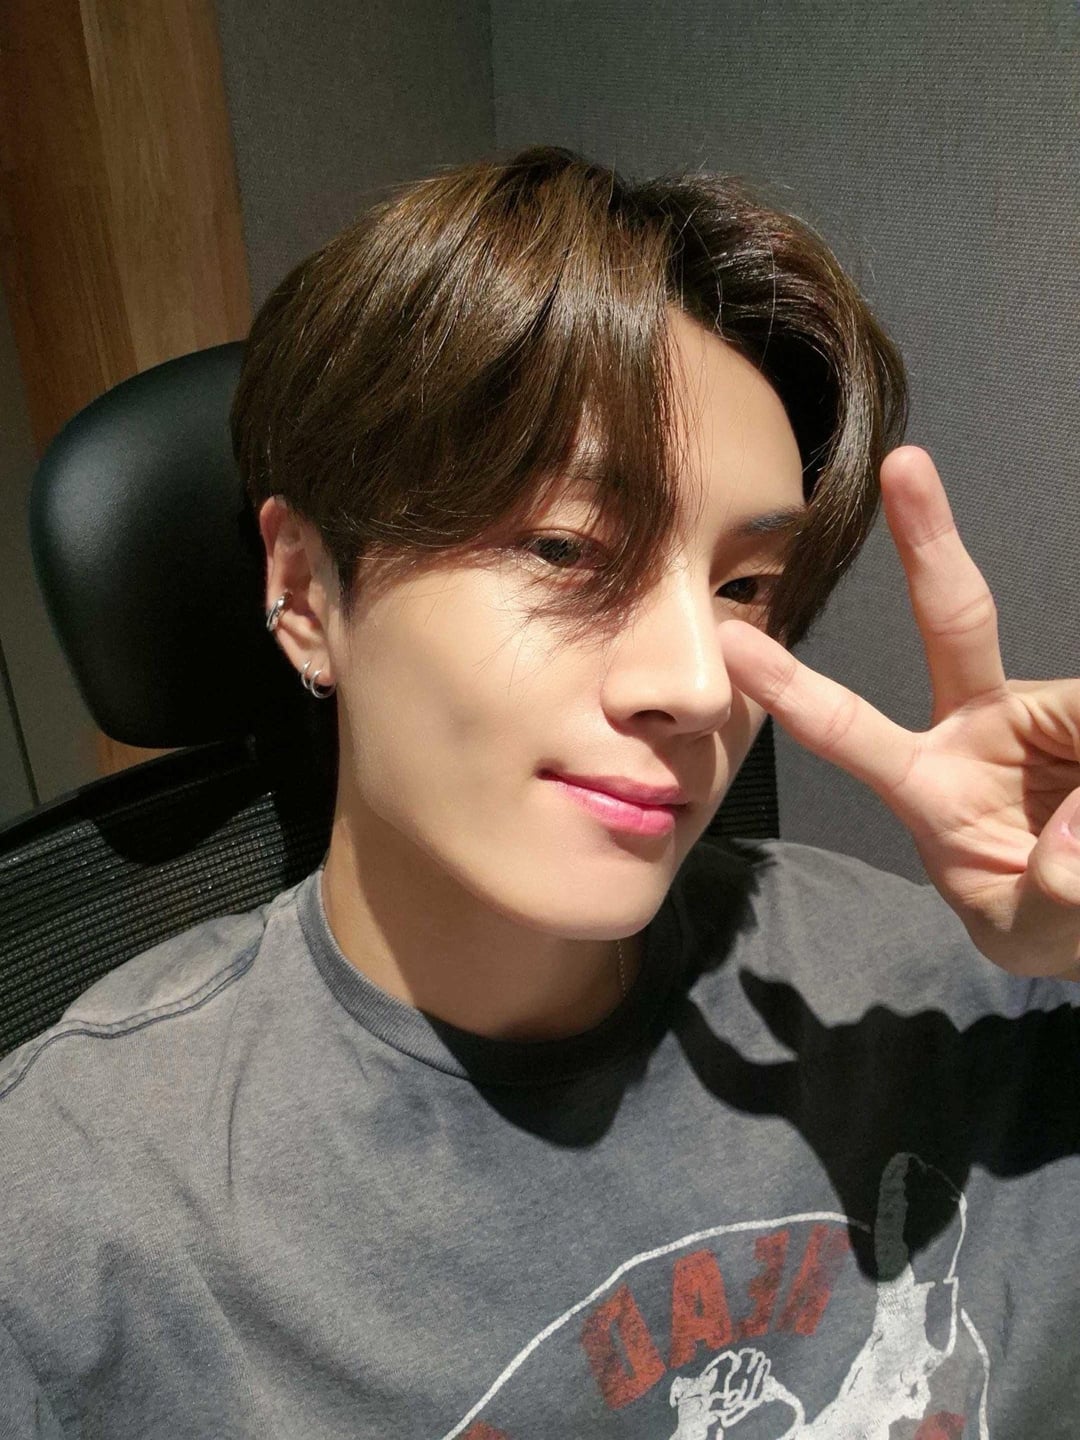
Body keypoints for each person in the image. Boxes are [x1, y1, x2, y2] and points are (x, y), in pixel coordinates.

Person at [1, 144, 1078, 1439]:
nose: (698, 681)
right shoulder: (79, 1224)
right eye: (567, 549)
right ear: (304, 591)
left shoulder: (933, 991)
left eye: (744, 588)